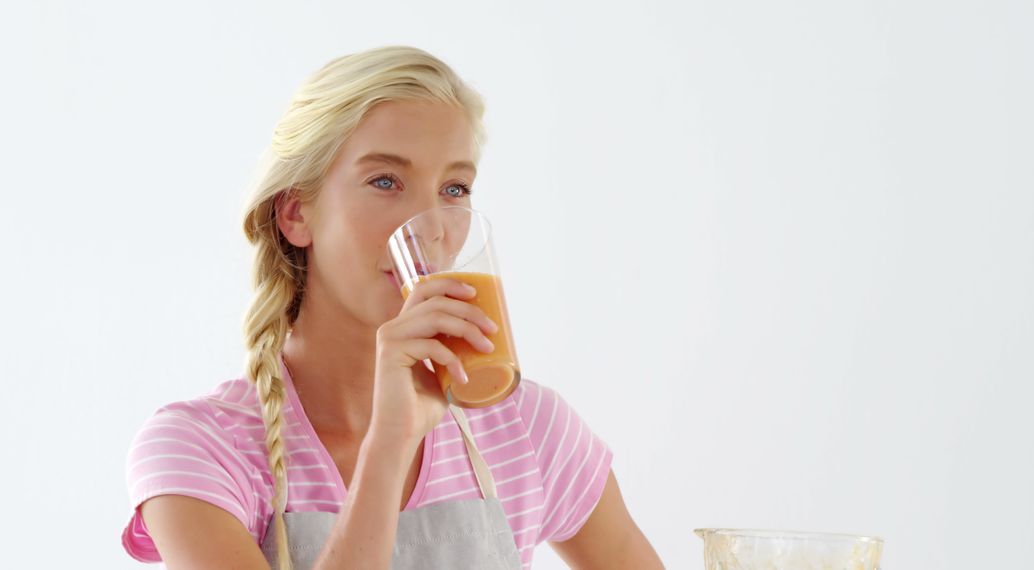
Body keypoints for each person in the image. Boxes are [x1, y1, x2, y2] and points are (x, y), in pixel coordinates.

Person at [120, 45, 664, 569]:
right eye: (385, 181)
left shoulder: (525, 427)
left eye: (454, 188)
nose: (428, 227)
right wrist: (391, 442)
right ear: (295, 215)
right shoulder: (200, 451)